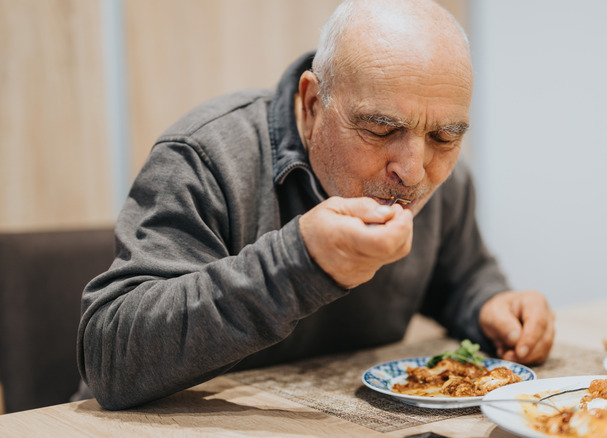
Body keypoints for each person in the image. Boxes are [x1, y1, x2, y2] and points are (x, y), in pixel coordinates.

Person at [77, 0, 555, 410]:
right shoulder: (205, 156)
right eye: (381, 129)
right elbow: (110, 358)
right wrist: (300, 262)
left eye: (445, 136)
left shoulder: (444, 178)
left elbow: (460, 276)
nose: (413, 169)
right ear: (311, 104)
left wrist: (491, 304)